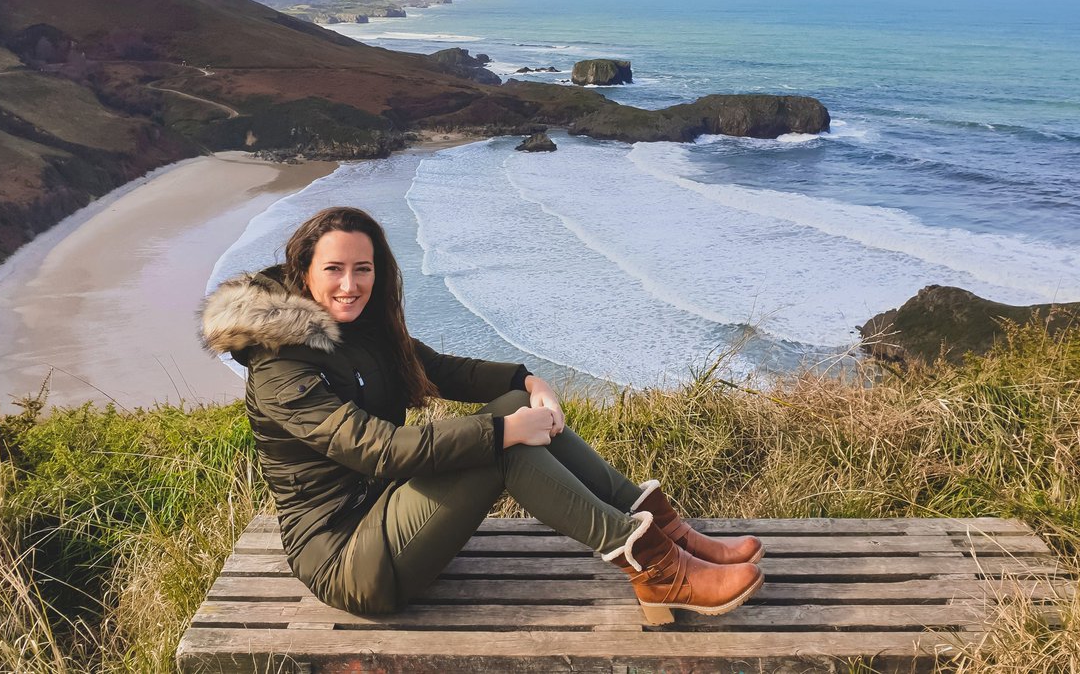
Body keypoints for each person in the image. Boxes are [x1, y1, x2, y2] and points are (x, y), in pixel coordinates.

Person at [201, 206, 763, 625]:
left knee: (516, 413)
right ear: (303, 271)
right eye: (335, 269)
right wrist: (503, 432)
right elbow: (378, 448)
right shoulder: (280, 368)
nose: (351, 285)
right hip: (348, 560)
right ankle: (656, 569)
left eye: (363, 268)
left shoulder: (356, 327)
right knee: (505, 449)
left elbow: (438, 368)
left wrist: (524, 381)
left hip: (389, 514)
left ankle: (663, 530)